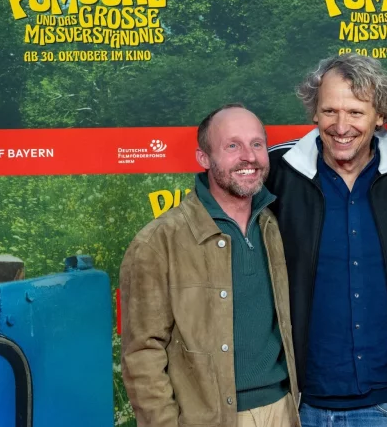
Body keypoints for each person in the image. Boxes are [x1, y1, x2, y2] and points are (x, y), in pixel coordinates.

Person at [266, 53, 387, 426]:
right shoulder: (278, 172)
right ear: (314, 113)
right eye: (329, 111)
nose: (340, 125)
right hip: (299, 403)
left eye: (355, 112)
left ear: (380, 115)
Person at [120, 104, 300, 427]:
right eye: (233, 146)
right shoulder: (158, 243)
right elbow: (142, 356)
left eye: (257, 144)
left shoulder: (273, 225)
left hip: (283, 411)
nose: (249, 157)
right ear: (204, 158)